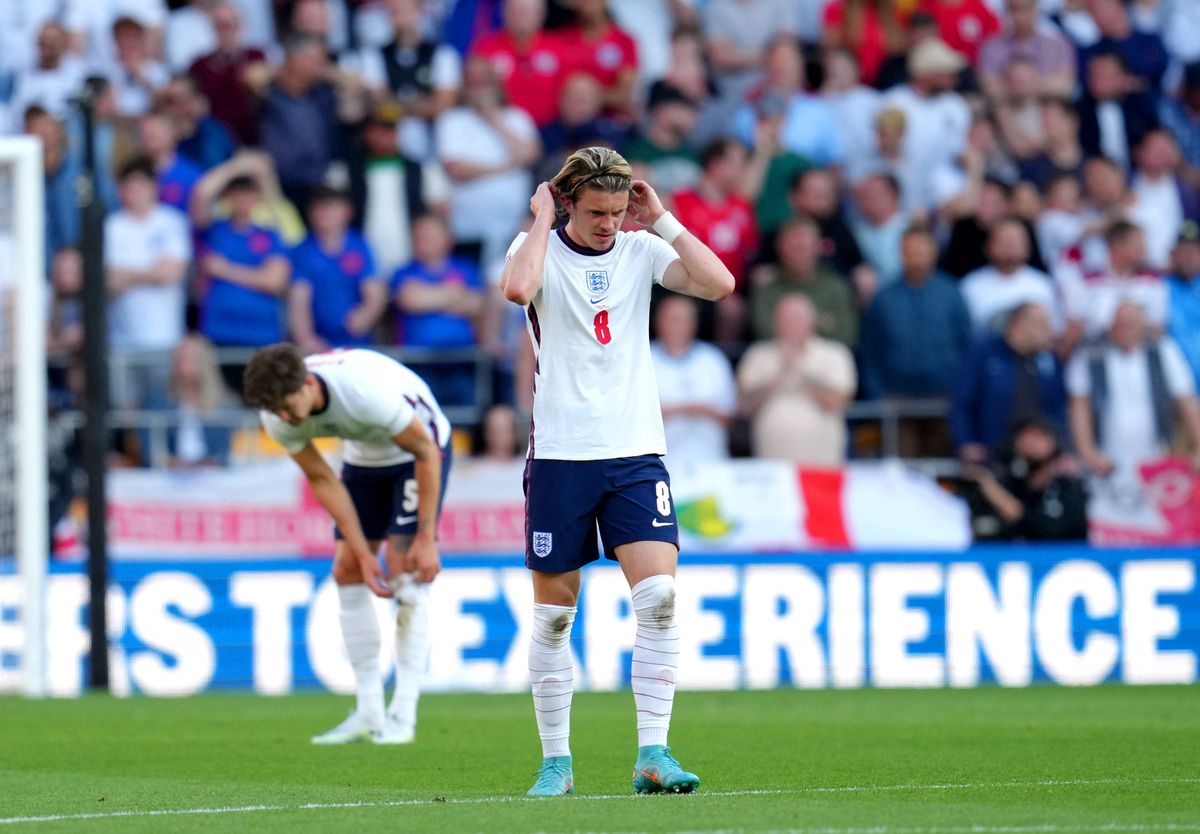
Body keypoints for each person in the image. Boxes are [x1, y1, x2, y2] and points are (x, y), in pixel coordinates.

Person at [499, 146, 735, 796]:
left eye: (616, 209)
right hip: (561, 456)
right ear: (568, 201)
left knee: (658, 600)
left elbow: (720, 285)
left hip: (634, 451)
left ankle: (653, 754)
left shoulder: (640, 248)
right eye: (597, 211)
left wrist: (663, 220)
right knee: (554, 615)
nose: (609, 222)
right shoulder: (534, 247)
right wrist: (543, 218)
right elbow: (518, 290)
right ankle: (557, 762)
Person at [242, 343, 452, 746]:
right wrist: (359, 552)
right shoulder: (277, 414)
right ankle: (369, 710)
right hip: (366, 457)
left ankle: (403, 714)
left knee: (403, 568)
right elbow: (323, 479)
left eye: (288, 406)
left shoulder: (362, 391)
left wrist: (426, 537)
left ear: (306, 383)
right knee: (345, 569)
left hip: (418, 449)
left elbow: (426, 448)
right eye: (277, 412)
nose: (285, 418)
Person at [1067, 301, 1200, 478]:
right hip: (1106, 458)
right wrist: (1088, 452)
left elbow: (1187, 400)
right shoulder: (1091, 355)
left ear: (1143, 325)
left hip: (1156, 456)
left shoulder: (1163, 350)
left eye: (1132, 324)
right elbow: (1079, 406)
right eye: (1122, 324)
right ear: (1112, 325)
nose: (1126, 330)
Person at [737, 293, 857, 464]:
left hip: (823, 466)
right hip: (771, 467)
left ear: (812, 322)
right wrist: (778, 374)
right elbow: (745, 406)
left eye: (797, 319)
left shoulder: (836, 354)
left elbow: (836, 401)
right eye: (786, 319)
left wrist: (800, 370)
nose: (792, 325)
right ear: (776, 322)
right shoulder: (757, 355)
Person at [288, 186, 387, 353]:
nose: (325, 214)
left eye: (331, 208)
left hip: (357, 342)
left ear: (347, 212)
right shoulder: (302, 251)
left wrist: (366, 315)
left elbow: (374, 290)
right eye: (319, 208)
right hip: (319, 344)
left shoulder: (360, 246)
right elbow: (299, 299)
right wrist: (306, 338)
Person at [963, 417, 1089, 542]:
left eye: (1037, 436)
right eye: (1024, 437)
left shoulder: (1067, 480)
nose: (1030, 442)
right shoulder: (1010, 475)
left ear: (1051, 440)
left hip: (1067, 549)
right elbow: (1015, 516)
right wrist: (985, 481)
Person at [650, 294, 736, 468]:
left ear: (694, 324)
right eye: (672, 319)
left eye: (683, 320)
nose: (677, 326)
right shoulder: (643, 359)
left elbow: (731, 415)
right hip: (659, 463)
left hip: (710, 458)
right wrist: (681, 409)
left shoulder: (713, 359)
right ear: (657, 322)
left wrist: (706, 411)